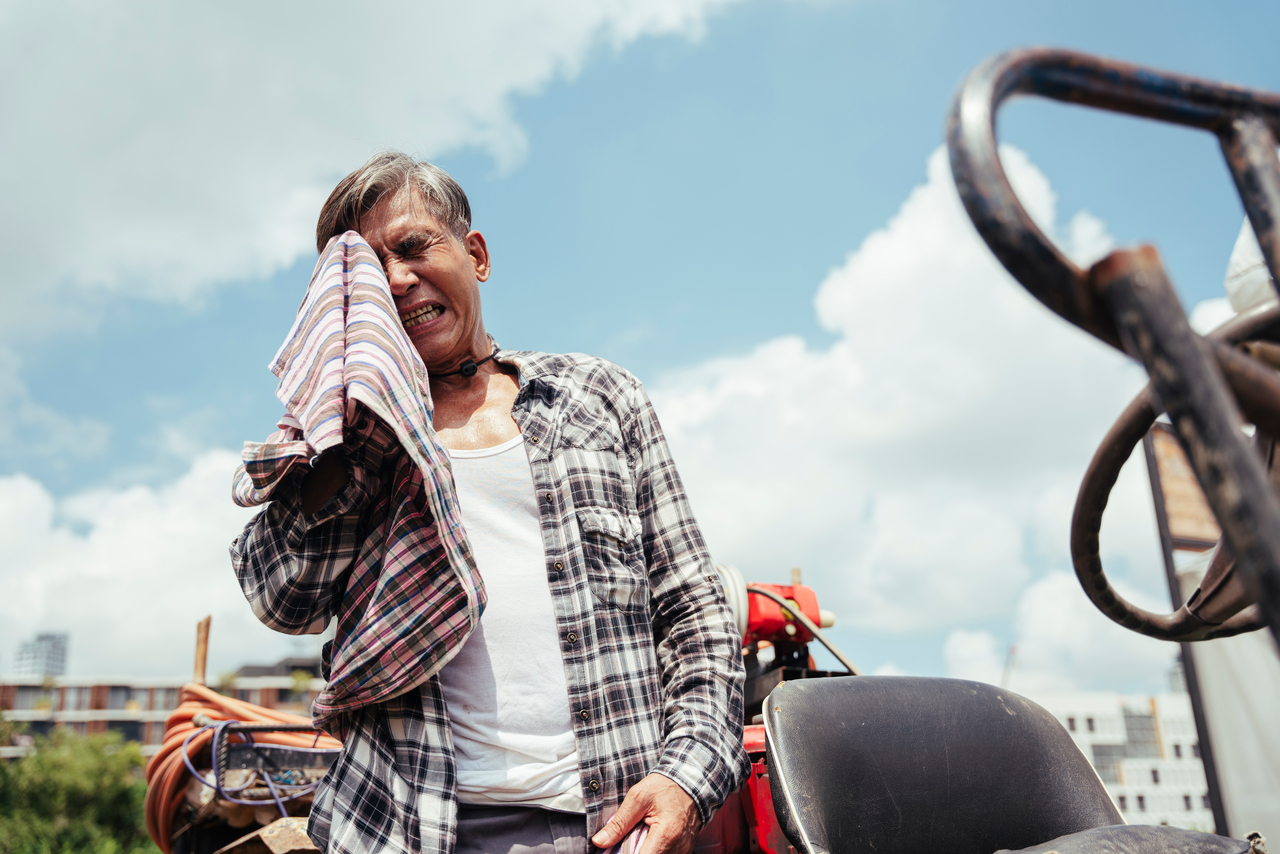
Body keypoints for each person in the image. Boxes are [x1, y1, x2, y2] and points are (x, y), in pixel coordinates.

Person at [231, 152, 748, 854]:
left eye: (414, 247)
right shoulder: (348, 438)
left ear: (475, 255)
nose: (397, 280)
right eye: (365, 273)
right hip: (409, 829)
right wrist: (347, 430)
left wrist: (686, 778)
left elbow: (693, 607)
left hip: (612, 827)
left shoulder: (598, 398)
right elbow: (280, 601)